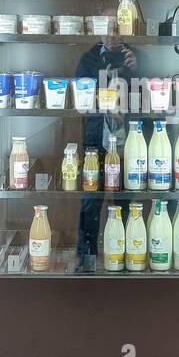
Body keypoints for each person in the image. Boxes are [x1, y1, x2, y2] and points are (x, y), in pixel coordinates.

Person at [74, 34, 137, 267]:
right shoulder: (88, 58)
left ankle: (126, 258)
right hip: (96, 142)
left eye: (117, 27)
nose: (112, 33)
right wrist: (105, 105)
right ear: (98, 30)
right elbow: (80, 98)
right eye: (107, 27)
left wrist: (136, 70)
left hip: (129, 142)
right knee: (91, 201)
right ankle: (86, 258)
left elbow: (152, 97)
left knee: (126, 202)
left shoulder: (136, 57)